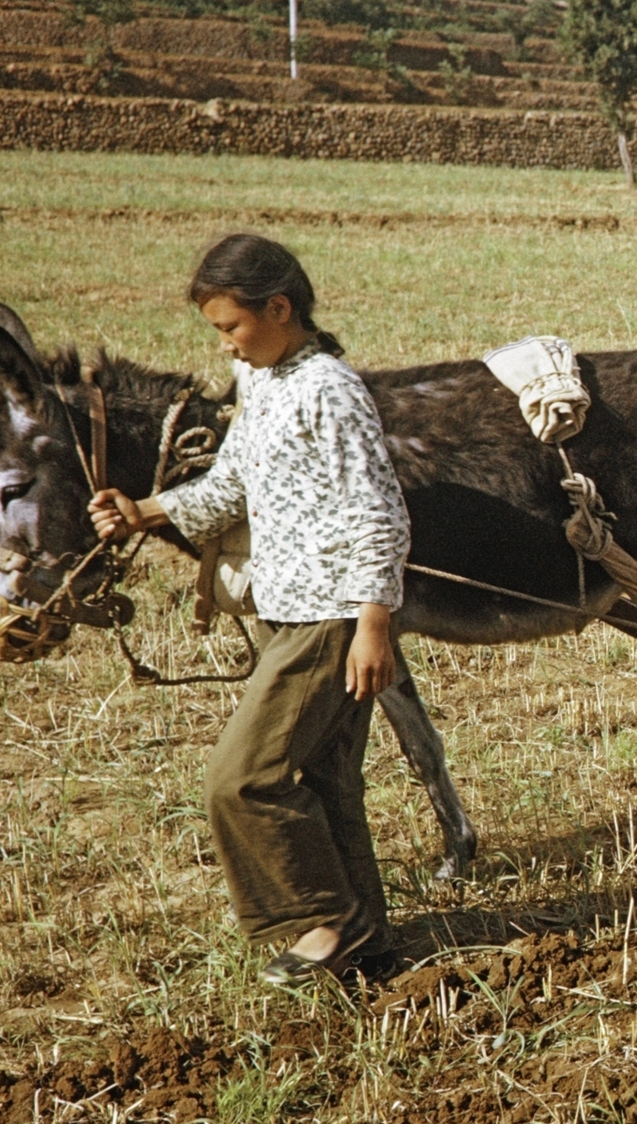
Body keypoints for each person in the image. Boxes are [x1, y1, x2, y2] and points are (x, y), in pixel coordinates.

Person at [88, 234, 411, 987]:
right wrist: (147, 509)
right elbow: (231, 485)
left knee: (242, 779)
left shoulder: (330, 389)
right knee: (327, 781)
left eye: (232, 326)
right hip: (284, 608)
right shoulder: (259, 378)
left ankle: (321, 923)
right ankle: (370, 948)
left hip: (332, 617)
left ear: (279, 307)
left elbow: (379, 511)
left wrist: (373, 621)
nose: (226, 343)